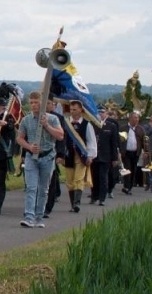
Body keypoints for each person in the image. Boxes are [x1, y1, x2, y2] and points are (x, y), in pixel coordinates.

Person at [16, 92, 64, 228]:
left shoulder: (53, 118)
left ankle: (39, 217)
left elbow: (60, 136)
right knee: (31, 187)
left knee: (43, 189)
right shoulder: (26, 120)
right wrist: (29, 147)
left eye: (36, 102)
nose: (33, 105)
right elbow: (19, 138)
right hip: (31, 157)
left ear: (42, 103)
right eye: (31, 102)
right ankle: (29, 216)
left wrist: (47, 125)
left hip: (47, 157)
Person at [59, 101, 97, 213]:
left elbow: (91, 141)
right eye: (71, 109)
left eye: (75, 109)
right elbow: (61, 140)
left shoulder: (87, 124)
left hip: (81, 156)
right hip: (69, 155)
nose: (72, 111)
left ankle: (77, 203)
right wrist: (61, 155)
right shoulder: (66, 123)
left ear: (80, 110)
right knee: (70, 180)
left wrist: (90, 156)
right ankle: (72, 204)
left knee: (78, 179)